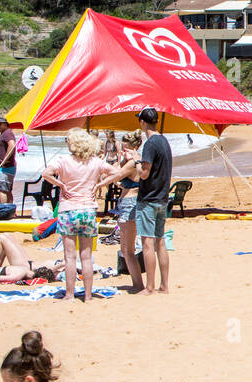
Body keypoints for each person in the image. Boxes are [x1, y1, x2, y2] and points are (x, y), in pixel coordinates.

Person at [40, 128, 136, 302]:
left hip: (68, 209)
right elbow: (115, 173)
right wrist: (100, 185)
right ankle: (88, 295)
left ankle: (69, 294)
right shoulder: (94, 162)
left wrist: (60, 184)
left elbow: (46, 173)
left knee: (69, 257)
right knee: (86, 256)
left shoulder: (63, 160)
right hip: (88, 210)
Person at [133, 107, 173, 295]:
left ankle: (150, 287)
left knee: (148, 243)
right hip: (162, 197)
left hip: (149, 199)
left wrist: (135, 163)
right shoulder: (164, 140)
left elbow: (145, 173)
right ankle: (164, 285)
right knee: (160, 242)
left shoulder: (150, 143)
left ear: (142, 122)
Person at [112, 132, 144, 291]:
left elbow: (114, 174)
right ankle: (136, 283)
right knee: (126, 248)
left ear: (134, 148)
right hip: (127, 202)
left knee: (128, 249)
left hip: (130, 203)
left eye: (126, 149)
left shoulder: (132, 163)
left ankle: (137, 284)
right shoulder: (129, 161)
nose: (124, 152)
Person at [0, 116, 17, 205]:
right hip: (6, 166)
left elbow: (12, 145)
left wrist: (5, 159)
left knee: (2, 190)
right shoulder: (5, 133)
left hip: (5, 167)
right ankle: (10, 210)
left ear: (5, 124)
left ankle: (4, 209)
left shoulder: (7, 133)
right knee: (7, 189)